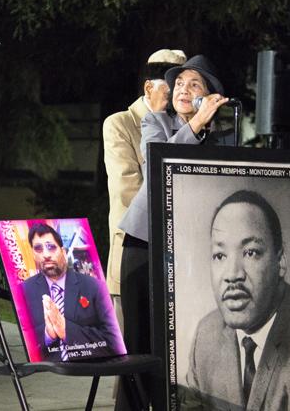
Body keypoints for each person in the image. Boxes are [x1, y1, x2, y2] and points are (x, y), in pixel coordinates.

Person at [116, 54, 229, 409]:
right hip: (144, 245)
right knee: (137, 344)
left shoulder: (222, 139)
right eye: (179, 83)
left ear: (210, 96)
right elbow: (161, 164)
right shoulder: (155, 123)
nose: (182, 88)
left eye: (194, 84)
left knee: (176, 341)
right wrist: (195, 125)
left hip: (186, 251)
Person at [186, 190, 290, 410]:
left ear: (280, 262)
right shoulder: (205, 336)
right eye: (220, 256)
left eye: (251, 252)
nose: (233, 274)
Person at [103, 48, 186, 329]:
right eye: (171, 89)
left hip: (175, 259)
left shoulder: (181, 124)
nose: (177, 96)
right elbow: (128, 190)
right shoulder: (121, 124)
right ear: (148, 88)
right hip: (134, 252)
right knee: (130, 352)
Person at [21, 223, 124, 361]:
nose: (46, 255)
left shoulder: (94, 287)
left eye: (51, 247)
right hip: (48, 370)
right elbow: (27, 337)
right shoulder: (24, 290)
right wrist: (48, 335)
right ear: (34, 255)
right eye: (38, 249)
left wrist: (66, 330)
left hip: (89, 362)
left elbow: (113, 341)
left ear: (63, 252)